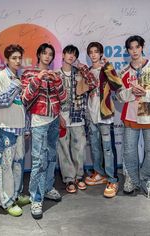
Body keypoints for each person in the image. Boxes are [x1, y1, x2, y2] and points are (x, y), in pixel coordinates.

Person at [117, 35, 150, 200]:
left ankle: (149, 181)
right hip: (130, 116)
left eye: (137, 47)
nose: (134, 51)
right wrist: (131, 92)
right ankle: (132, 180)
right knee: (129, 150)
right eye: (131, 48)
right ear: (127, 51)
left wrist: (146, 93)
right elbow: (119, 95)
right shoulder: (124, 71)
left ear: (142, 47)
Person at [21, 43, 67, 219]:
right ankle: (36, 198)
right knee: (38, 161)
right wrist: (38, 78)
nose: (47, 57)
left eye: (50, 54)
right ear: (39, 55)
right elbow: (25, 98)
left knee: (51, 156)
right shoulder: (29, 73)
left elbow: (62, 98)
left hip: (54, 119)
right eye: (44, 53)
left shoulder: (56, 75)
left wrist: (56, 81)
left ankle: (48, 187)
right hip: (38, 121)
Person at [0, 44, 30, 217]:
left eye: (19, 58)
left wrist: (26, 127)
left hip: (19, 127)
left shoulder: (17, 77)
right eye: (14, 58)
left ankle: (16, 195)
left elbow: (22, 106)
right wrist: (14, 86)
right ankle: (5, 201)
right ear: (6, 60)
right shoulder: (0, 76)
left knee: (18, 163)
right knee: (5, 165)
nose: (17, 61)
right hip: (6, 127)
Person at [56, 45, 98, 194]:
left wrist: (82, 67)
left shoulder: (80, 72)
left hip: (77, 116)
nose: (71, 56)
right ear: (63, 55)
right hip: (61, 118)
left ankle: (79, 177)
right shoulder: (56, 74)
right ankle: (69, 179)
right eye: (68, 53)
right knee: (63, 150)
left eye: (74, 55)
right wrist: (58, 116)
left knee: (79, 149)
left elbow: (93, 84)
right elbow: (52, 99)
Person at [84, 42, 122, 198]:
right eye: (91, 52)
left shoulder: (106, 69)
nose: (93, 55)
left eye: (96, 52)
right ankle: (99, 173)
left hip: (105, 115)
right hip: (91, 114)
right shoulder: (87, 71)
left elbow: (117, 85)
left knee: (107, 148)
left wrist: (108, 67)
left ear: (101, 53)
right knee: (94, 146)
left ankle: (113, 179)